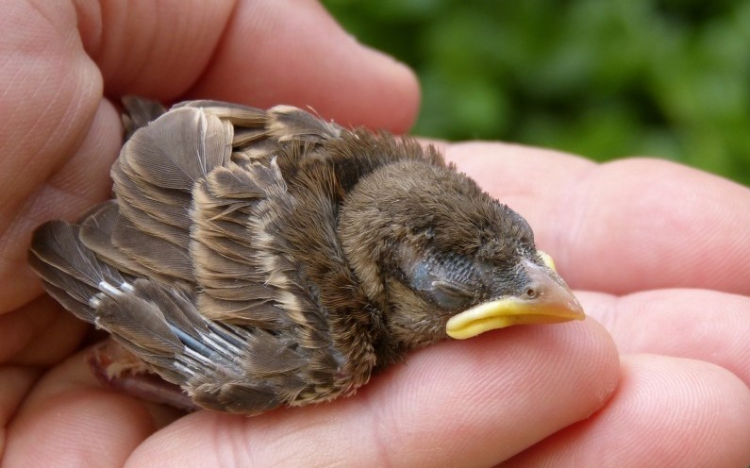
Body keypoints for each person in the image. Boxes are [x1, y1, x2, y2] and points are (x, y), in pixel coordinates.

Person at [2, 1, 749, 466]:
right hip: (154, 210)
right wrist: (143, 335)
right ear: (394, 285)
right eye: (454, 285)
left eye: (524, 259)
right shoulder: (333, 342)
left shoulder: (379, 167)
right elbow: (203, 337)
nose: (539, 283)